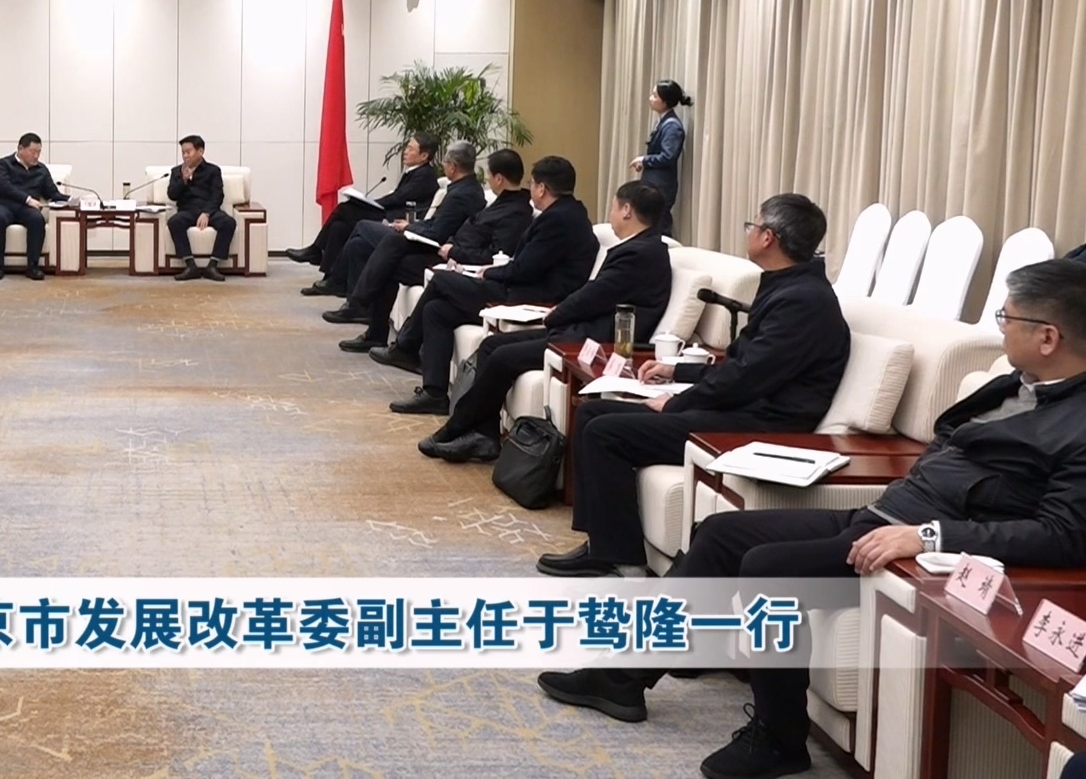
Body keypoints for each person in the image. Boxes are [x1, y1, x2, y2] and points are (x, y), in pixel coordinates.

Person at [538, 258, 1086, 779]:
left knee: (769, 569)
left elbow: (1062, 536)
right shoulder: (1014, 384)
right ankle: (623, 677)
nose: (1000, 328)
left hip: (918, 550)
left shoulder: (1077, 424)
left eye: (1008, 318)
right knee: (723, 534)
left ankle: (780, 739)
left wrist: (927, 537)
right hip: (885, 512)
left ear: (1048, 337)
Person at [537, 193, 850, 579]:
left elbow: (747, 377)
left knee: (606, 432)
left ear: (768, 237)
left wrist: (675, 403)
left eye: (751, 225)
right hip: (744, 406)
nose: (748, 232)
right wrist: (678, 372)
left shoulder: (803, 301)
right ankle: (603, 545)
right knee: (592, 413)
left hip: (766, 424)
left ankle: (621, 558)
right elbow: (742, 366)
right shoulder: (788, 286)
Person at [404, 182, 673, 462]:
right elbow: (596, 295)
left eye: (615, 207)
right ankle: (484, 436)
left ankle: (455, 428)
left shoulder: (640, 254)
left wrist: (555, 314)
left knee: (503, 357)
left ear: (627, 210)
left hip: (593, 342)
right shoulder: (640, 248)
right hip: (578, 331)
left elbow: (594, 296)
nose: (611, 213)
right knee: (491, 346)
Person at [368, 156, 595, 376]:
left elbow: (525, 269)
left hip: (529, 296)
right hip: (523, 287)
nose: (530, 189)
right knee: (436, 310)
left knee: (442, 280)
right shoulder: (569, 213)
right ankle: (433, 390)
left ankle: (405, 347)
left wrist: (488, 272)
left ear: (542, 189)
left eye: (532, 184)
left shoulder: (557, 220)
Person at [312, 139, 487, 301]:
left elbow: (437, 233)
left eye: (445, 162)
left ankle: (338, 282)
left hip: (429, 247)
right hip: (420, 233)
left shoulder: (460, 195)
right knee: (358, 244)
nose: (443, 165)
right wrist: (411, 225)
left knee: (362, 225)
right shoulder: (464, 188)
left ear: (453, 167)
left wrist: (409, 229)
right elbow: (436, 222)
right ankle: (355, 302)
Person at [286, 135, 440, 282]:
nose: (405, 151)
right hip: (390, 214)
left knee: (344, 209)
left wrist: (371, 203)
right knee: (339, 227)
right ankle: (332, 279)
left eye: (411, 149)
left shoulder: (425, 175)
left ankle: (315, 250)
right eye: (407, 147)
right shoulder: (415, 172)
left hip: (396, 221)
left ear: (424, 155)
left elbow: (398, 198)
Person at [0, 133, 73, 281]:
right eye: (32, 152)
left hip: (27, 210)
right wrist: (27, 199)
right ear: (20, 148)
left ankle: (33, 266)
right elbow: (3, 187)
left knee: (37, 219)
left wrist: (72, 200)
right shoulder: (4, 164)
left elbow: (52, 193)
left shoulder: (41, 169)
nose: (36, 156)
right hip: (5, 204)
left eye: (39, 152)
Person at [166, 135, 238, 282]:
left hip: (209, 210)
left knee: (228, 223)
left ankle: (213, 265)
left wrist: (207, 213)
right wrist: (183, 180)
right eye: (183, 152)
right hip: (187, 210)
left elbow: (218, 195)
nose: (185, 156)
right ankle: (190, 265)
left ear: (200, 151)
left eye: (189, 152)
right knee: (174, 222)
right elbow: (172, 195)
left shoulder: (213, 171)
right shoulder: (176, 171)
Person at [630, 79, 692, 237]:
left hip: (661, 185)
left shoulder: (672, 126)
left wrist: (644, 160)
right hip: (655, 182)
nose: (651, 98)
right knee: (651, 226)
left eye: (655, 96)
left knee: (660, 227)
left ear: (665, 102)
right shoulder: (663, 121)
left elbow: (668, 156)